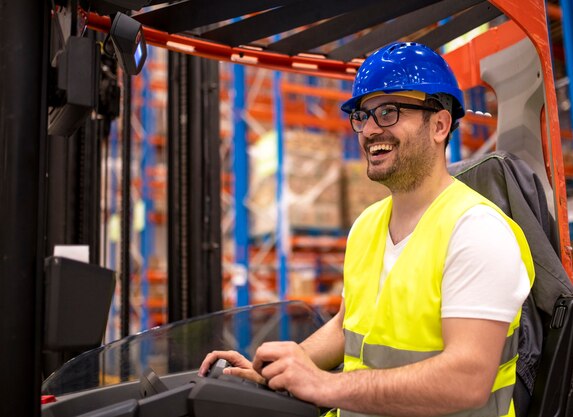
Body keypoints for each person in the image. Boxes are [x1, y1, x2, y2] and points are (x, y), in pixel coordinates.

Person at [199, 42, 535, 417]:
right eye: (362, 115)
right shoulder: (367, 225)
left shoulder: (477, 231)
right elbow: (347, 328)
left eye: (388, 112)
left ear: (439, 125)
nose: (370, 130)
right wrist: (279, 370)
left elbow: (468, 379)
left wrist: (325, 385)